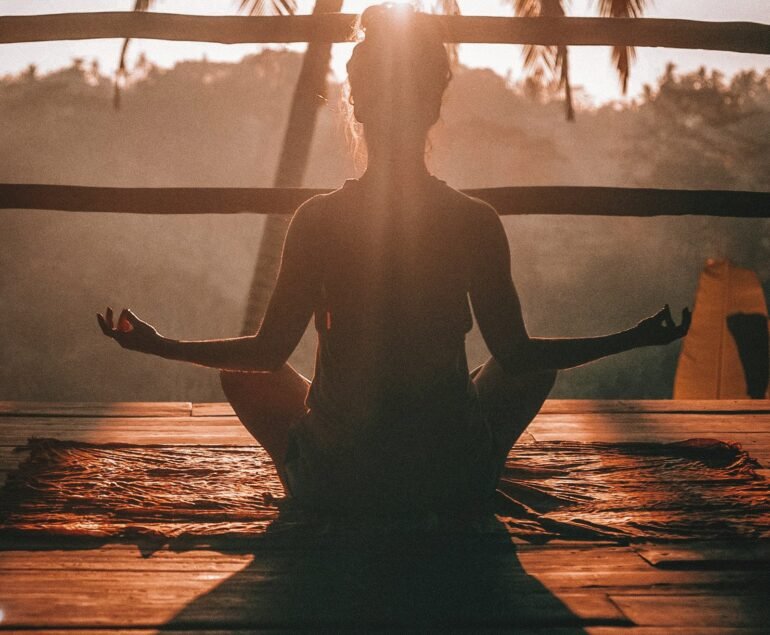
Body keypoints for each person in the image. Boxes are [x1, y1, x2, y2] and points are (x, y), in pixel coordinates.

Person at [97, 4, 690, 515]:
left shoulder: (319, 220)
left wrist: (158, 344)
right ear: (434, 107)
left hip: (338, 485)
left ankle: (325, 466)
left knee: (243, 375)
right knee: (531, 367)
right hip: (450, 481)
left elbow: (266, 353)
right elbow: (518, 355)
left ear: (357, 106)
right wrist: (633, 338)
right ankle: (466, 466)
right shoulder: (474, 221)